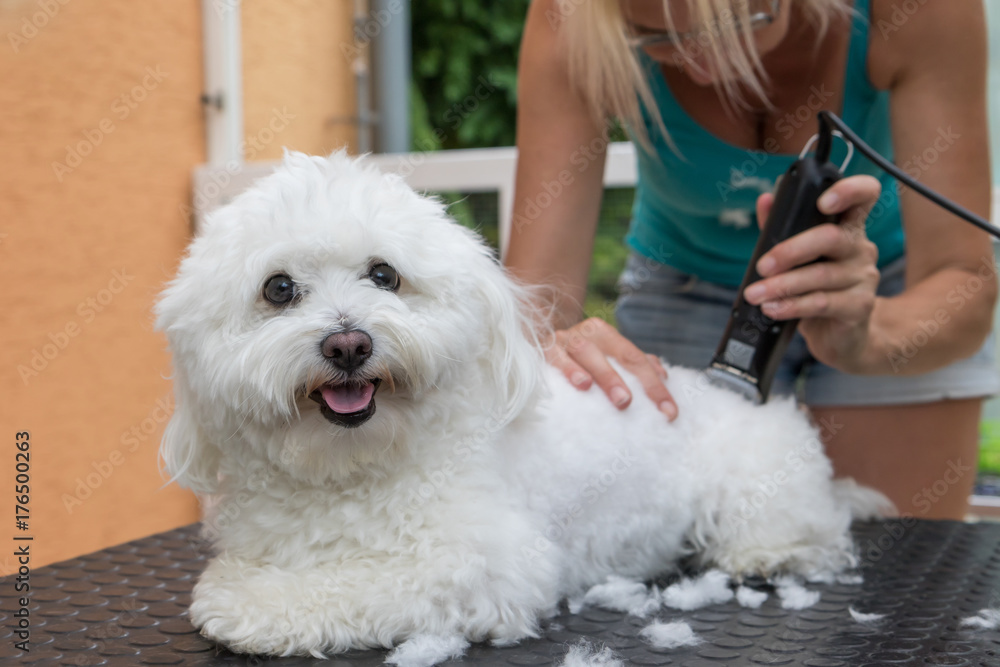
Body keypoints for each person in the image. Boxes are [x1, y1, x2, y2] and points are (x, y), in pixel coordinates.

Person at [506, 0, 998, 519]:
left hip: (884, 287)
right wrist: (556, 346)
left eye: (736, 26)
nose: (702, 66)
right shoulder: (572, 13)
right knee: (674, 552)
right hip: (685, 281)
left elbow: (963, 282)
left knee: (901, 564)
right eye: (654, 36)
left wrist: (870, 334)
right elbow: (535, 308)